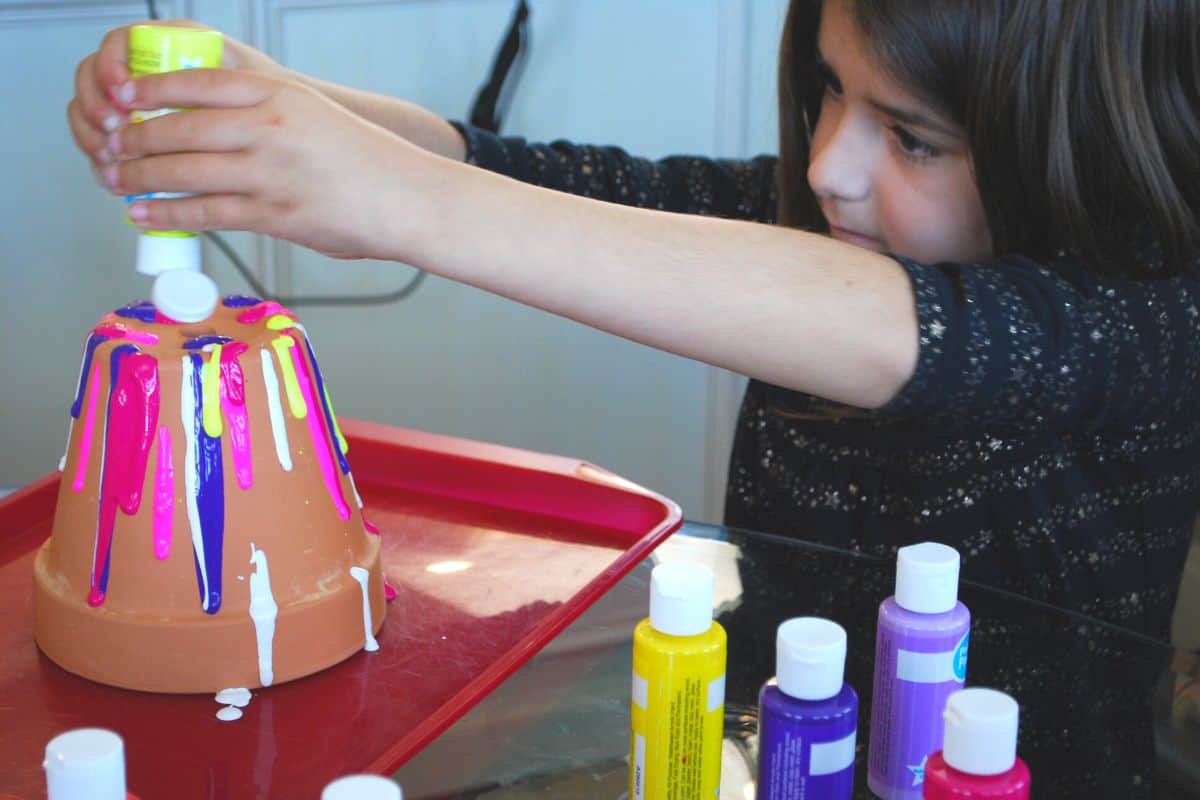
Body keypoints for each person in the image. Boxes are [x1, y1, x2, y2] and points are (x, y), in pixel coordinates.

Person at [69, 2, 1199, 795]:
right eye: (826, 92)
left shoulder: (1146, 317)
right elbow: (517, 171)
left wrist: (389, 201)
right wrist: (251, 98)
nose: (828, 167)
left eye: (910, 136)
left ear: (1079, 146)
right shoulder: (827, 215)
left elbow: (876, 326)